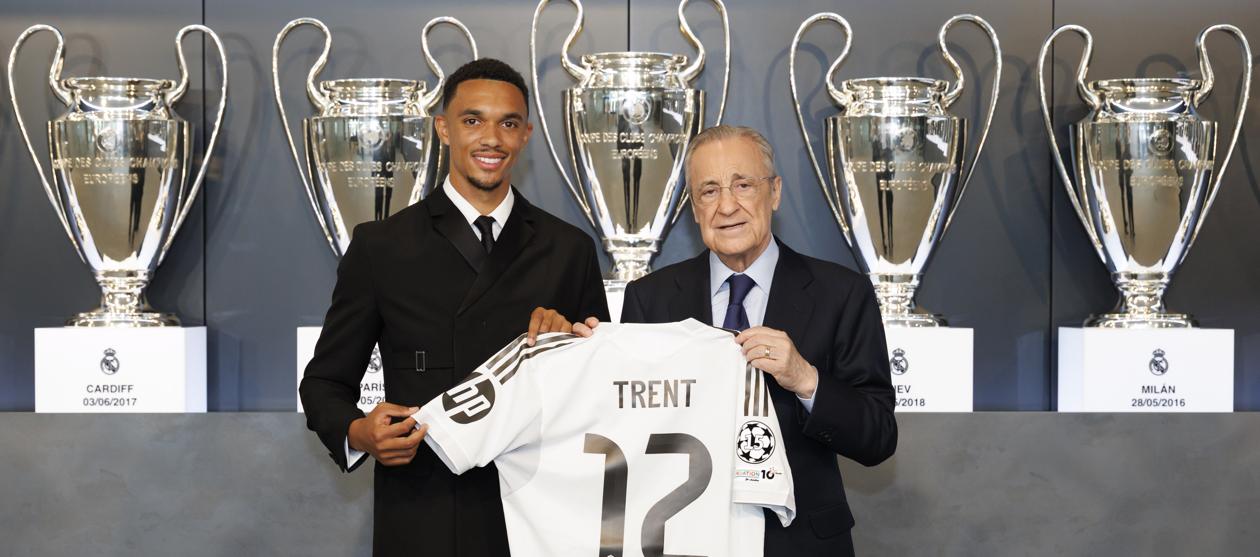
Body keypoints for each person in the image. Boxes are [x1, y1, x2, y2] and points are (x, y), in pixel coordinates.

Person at [300, 58, 609, 557]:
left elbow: (600, 389)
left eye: (508, 123)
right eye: (473, 120)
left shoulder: (568, 248)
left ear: (526, 135)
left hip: (537, 513)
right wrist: (360, 432)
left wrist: (570, 342)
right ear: (443, 129)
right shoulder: (381, 247)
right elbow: (324, 382)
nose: (492, 138)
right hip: (424, 511)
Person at [581, 124, 896, 556]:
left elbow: (877, 438)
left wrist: (805, 378)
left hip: (800, 544)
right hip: (682, 540)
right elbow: (628, 430)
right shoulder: (650, 299)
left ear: (775, 192)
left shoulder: (841, 293)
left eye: (743, 185)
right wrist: (587, 366)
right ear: (693, 208)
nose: (726, 206)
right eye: (708, 191)